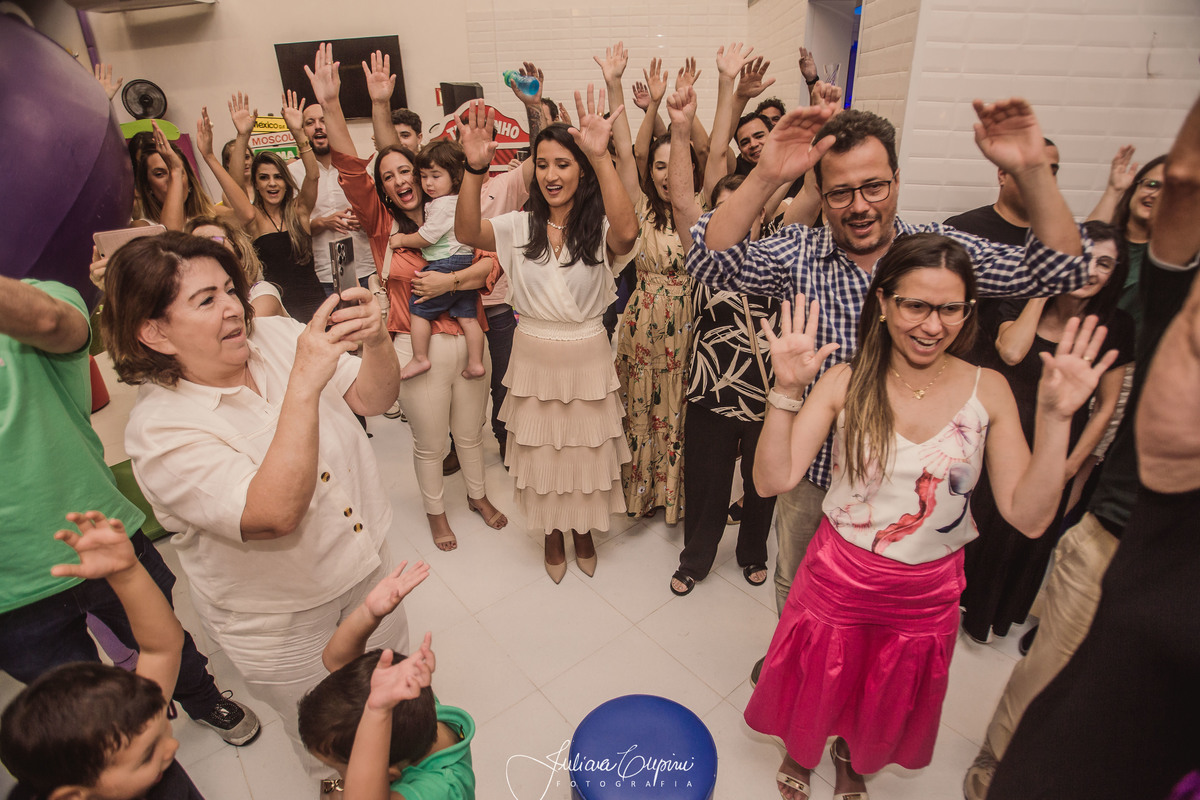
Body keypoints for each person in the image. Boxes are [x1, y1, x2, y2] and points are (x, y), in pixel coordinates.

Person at [686, 97, 1093, 625]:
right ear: (822, 196)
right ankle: (798, 659)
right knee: (799, 586)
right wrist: (765, 176)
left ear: (897, 180)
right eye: (841, 192)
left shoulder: (935, 253)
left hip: (908, 480)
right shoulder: (799, 252)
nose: (859, 205)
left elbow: (1062, 271)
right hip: (813, 469)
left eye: (874, 186)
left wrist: (1033, 172)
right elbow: (709, 261)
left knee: (884, 612)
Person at [745, 233, 1115, 800]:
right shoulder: (846, 379)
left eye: (950, 309)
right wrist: (786, 390)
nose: (932, 325)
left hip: (926, 591)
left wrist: (1058, 418)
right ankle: (803, 746)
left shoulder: (989, 389)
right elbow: (771, 481)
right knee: (818, 677)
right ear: (884, 301)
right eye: (916, 305)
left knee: (882, 692)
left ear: (969, 311)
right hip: (838, 576)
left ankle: (851, 756)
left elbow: (1030, 517)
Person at [100, 232, 409, 782]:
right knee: (329, 743)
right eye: (205, 300)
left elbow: (373, 398)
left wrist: (377, 340)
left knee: (394, 702)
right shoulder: (160, 431)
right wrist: (304, 382)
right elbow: (273, 514)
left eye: (229, 289)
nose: (232, 308)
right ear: (154, 331)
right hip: (282, 621)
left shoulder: (278, 335)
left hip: (366, 570)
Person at [964, 98, 1200, 800]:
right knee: (1059, 685)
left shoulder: (1112, 333)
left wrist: (1071, 456)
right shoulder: (1149, 309)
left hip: (1077, 472)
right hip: (1119, 528)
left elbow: (1107, 406)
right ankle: (993, 769)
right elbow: (1182, 184)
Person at [0, 275, 259, 753]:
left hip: (104, 535)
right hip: (10, 592)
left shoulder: (38, 297)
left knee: (165, 639)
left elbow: (51, 322)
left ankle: (202, 700)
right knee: (77, 721)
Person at [307, 42, 508, 552]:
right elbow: (352, 169)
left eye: (407, 172)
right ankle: (437, 514)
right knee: (431, 442)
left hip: (471, 338)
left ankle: (479, 497)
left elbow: (493, 262)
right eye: (389, 177)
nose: (399, 181)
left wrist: (451, 283)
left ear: (423, 176)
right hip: (417, 349)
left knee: (472, 433)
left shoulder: (457, 214)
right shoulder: (384, 227)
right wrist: (334, 105)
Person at [455, 89, 639, 583]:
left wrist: (601, 157)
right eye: (541, 164)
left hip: (587, 354)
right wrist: (474, 169)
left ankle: (583, 529)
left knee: (585, 451)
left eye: (563, 163)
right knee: (542, 452)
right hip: (534, 354)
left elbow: (628, 234)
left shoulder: (599, 227)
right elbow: (468, 232)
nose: (551, 174)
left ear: (581, 170)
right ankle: (553, 533)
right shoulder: (519, 226)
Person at [959, 220, 1133, 644]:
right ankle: (952, 604)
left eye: (1104, 263)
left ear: (1115, 274)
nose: (1090, 269)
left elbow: (1107, 407)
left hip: (1055, 442)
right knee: (975, 522)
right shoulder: (1020, 299)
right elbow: (1012, 351)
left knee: (1018, 535)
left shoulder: (1117, 325)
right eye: (1082, 258)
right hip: (994, 435)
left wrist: (1070, 468)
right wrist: (1043, 285)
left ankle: (988, 617)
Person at [664, 85, 780, 595]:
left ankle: (754, 551)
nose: (734, 219)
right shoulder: (705, 257)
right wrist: (681, 128)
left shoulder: (780, 254)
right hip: (710, 389)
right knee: (707, 482)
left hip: (767, 392)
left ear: (761, 213)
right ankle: (695, 558)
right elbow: (681, 200)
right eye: (723, 211)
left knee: (760, 483)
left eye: (744, 209)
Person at [1, 512, 199, 800]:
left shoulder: (130, 727)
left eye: (163, 733)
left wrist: (126, 573)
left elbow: (161, 648)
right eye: (147, 755)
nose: (172, 748)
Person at [298, 566, 474, 800]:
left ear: (389, 775)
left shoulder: (440, 789)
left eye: (340, 770)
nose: (343, 780)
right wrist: (368, 613)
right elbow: (336, 661)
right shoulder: (409, 701)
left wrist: (376, 712)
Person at [197, 93, 326, 322]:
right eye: (264, 178)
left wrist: (298, 132)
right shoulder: (253, 217)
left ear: (286, 182)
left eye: (278, 177)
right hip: (277, 309)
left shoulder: (299, 210)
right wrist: (242, 136)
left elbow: (313, 175)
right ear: (256, 184)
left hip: (315, 304)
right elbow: (235, 186)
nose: (272, 183)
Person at [388, 139, 486, 381]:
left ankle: (420, 358)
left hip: (446, 263)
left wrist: (401, 240)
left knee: (418, 309)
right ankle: (476, 363)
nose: (428, 183)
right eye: (423, 177)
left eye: (435, 176)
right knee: (468, 317)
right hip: (464, 262)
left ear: (455, 177)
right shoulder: (460, 201)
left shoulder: (443, 204)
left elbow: (427, 237)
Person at [288, 101, 380, 296]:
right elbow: (291, 227)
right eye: (310, 122)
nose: (318, 127)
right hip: (323, 276)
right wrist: (321, 223)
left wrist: (364, 220)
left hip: (366, 269)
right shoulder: (292, 174)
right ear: (302, 130)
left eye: (323, 121)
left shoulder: (359, 171)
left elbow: (380, 218)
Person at [134, 122, 234, 232]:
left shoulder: (212, 214)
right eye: (159, 174)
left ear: (189, 179)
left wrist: (209, 156)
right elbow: (171, 237)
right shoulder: (142, 226)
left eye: (180, 171)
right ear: (148, 186)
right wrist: (176, 171)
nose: (172, 180)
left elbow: (246, 216)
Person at [184, 215, 288, 318]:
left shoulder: (261, 292)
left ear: (238, 250)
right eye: (199, 248)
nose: (209, 251)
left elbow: (249, 326)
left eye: (215, 241)